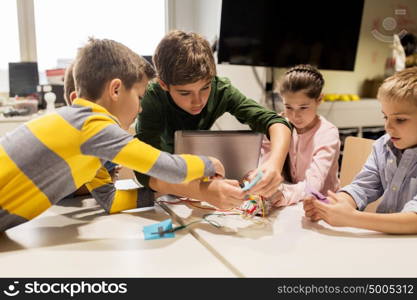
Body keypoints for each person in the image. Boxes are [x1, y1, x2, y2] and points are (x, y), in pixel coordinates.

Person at [0, 38, 224, 232]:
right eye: (139, 96)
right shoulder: (94, 126)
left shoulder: (85, 140)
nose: (140, 109)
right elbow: (167, 167)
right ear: (115, 90)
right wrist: (209, 164)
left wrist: (162, 193)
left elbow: (111, 200)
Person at [135, 30, 292, 209]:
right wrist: (203, 192)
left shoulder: (221, 89)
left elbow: (277, 122)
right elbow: (143, 169)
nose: (198, 101)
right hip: (164, 190)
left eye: (205, 88)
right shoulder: (151, 99)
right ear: (163, 84)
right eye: (185, 93)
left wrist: (274, 165)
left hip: (198, 186)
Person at [303, 67, 417, 234]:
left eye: (400, 120)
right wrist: (336, 204)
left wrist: (351, 218)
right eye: (385, 117)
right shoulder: (383, 146)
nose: (388, 127)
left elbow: (414, 221)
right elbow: (362, 187)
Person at [261, 65, 340, 207]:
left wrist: (284, 193)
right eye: (288, 107)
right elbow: (264, 163)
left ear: (319, 99)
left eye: (303, 107)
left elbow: (313, 185)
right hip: (289, 205)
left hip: (322, 206)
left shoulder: (327, 133)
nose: (295, 116)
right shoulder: (279, 125)